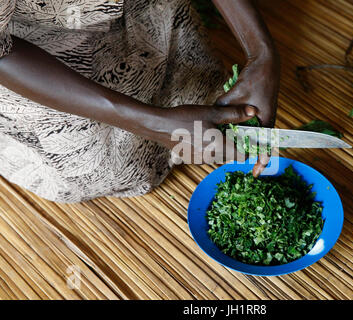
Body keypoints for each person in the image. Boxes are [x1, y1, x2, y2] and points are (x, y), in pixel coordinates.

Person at [0, 0, 280, 202]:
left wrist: (262, 53)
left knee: (207, 96)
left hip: (143, 9)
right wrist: (152, 123)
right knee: (108, 166)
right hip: (37, 45)